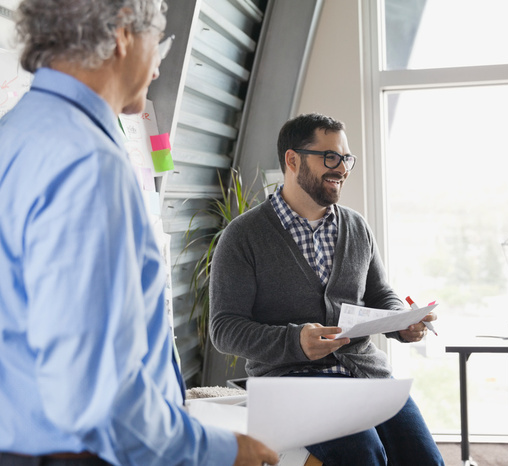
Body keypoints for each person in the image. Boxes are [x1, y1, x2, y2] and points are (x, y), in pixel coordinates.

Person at [0, 1, 278, 465]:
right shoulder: (86, 163)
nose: (157, 65)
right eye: (160, 41)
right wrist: (220, 451)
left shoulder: (14, 134)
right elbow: (97, 395)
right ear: (123, 33)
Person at [209, 113, 445, 465]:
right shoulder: (243, 236)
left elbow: (380, 294)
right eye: (330, 157)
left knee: (425, 460)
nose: (341, 168)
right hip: (292, 382)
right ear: (293, 160)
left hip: (367, 374)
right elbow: (224, 329)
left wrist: (401, 321)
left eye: (345, 158)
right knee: (365, 457)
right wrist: (295, 340)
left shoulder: (356, 227)